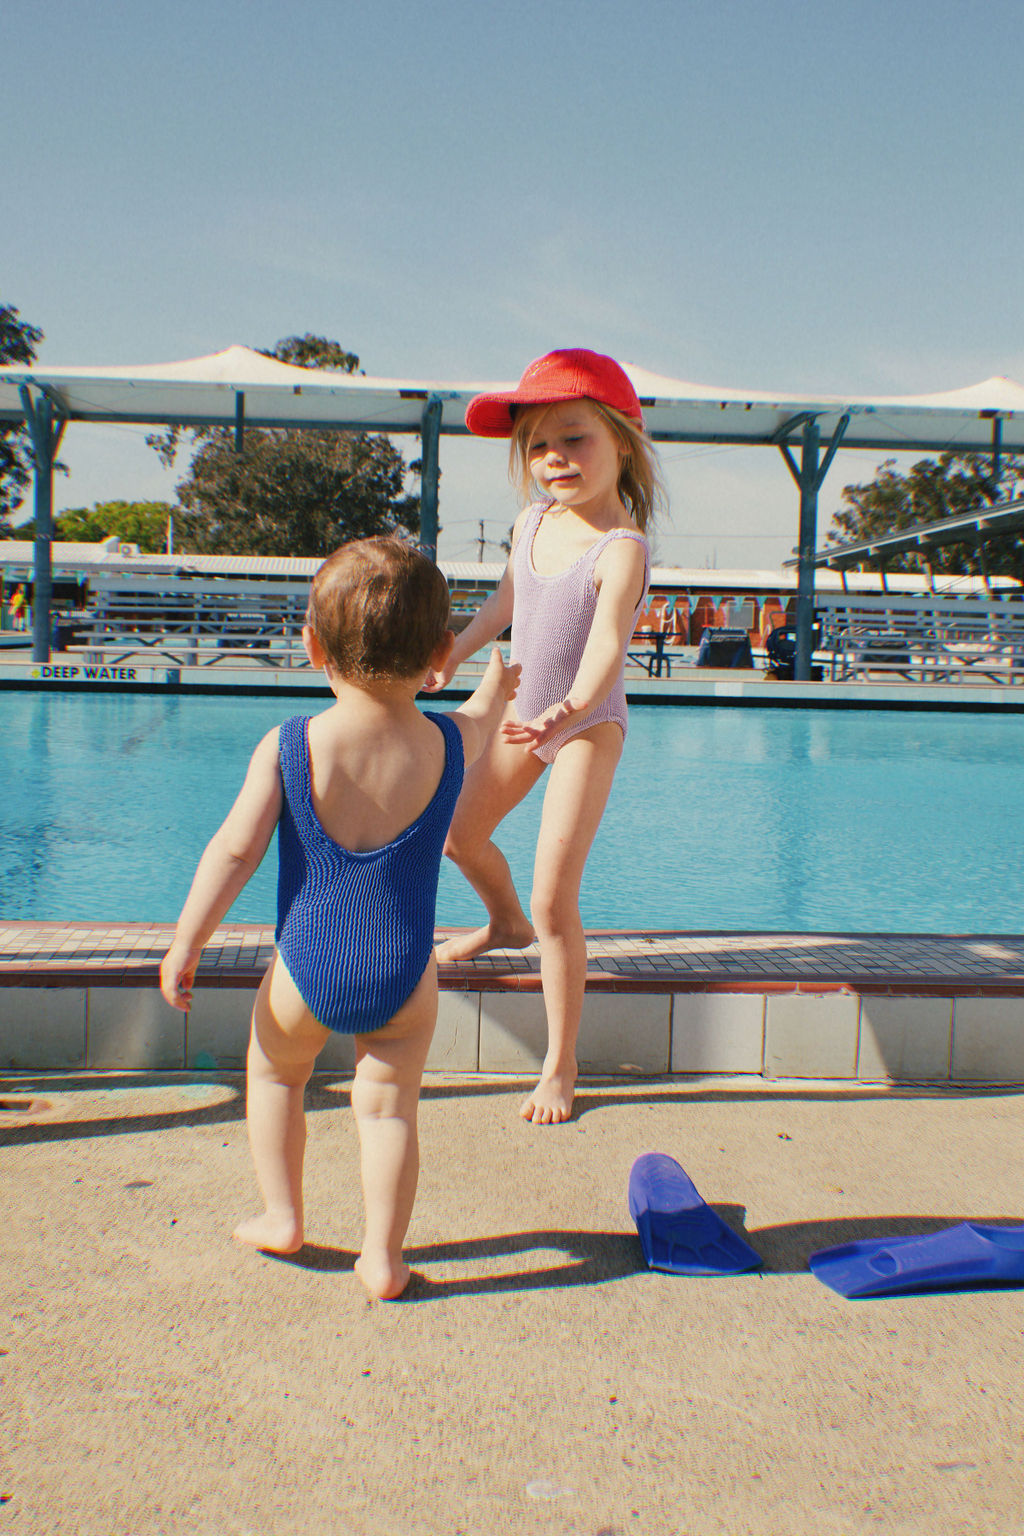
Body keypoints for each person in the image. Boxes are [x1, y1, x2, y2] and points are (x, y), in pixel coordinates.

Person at [160, 537, 520, 1300]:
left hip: (304, 966)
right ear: (439, 651)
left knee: (274, 1076)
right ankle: (383, 1259)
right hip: (404, 975)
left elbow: (234, 852)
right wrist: (498, 682)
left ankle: (282, 1215)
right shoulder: (446, 744)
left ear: (311, 644)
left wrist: (188, 940)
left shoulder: (291, 746)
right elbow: (486, 718)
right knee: (389, 1113)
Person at [425, 348, 662, 1126]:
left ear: (622, 441)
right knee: (459, 833)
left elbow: (604, 652)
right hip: (529, 713)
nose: (555, 458)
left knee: (556, 895)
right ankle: (503, 926)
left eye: (575, 438)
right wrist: (448, 656)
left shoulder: (620, 547)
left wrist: (573, 709)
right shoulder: (531, 523)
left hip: (586, 724)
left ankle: (560, 1066)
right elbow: (502, 608)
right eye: (537, 446)